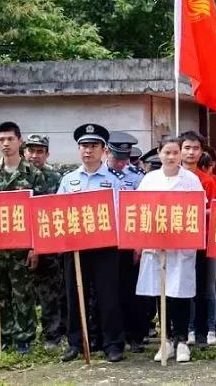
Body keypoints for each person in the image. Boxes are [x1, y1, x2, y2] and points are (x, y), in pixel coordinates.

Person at [58, 123, 125, 363]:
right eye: (84, 146)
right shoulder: (68, 180)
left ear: (104, 150)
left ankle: (112, 344)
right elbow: (58, 211)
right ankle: (76, 342)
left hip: (105, 246)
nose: (88, 150)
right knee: (75, 295)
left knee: (108, 296)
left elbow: (119, 212)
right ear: (79, 149)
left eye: (94, 146)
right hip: (75, 246)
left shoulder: (113, 180)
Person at [135, 136, 203, 363]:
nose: (172, 157)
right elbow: (139, 209)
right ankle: (165, 341)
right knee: (160, 292)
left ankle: (182, 340)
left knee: (180, 294)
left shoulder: (190, 180)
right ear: (159, 153)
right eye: (167, 152)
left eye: (175, 153)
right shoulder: (149, 180)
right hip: (156, 246)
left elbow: (198, 211)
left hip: (181, 247)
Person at [0, 121, 40, 354]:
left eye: (10, 139)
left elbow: (39, 213)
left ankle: (24, 337)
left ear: (19, 141)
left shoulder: (34, 174)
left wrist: (36, 247)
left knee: (22, 293)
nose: (6, 144)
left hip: (22, 247)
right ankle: (3, 336)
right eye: (2, 140)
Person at [107, 131, 150, 353]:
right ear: (107, 152)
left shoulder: (137, 177)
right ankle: (111, 336)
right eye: (117, 157)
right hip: (105, 243)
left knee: (132, 291)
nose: (122, 162)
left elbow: (143, 211)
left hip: (129, 244)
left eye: (125, 158)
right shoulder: (99, 174)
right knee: (108, 292)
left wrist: (139, 244)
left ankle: (136, 336)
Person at [22, 134, 66, 350]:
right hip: (18, 245)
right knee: (23, 293)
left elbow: (54, 213)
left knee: (50, 294)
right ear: (24, 152)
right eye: (31, 151)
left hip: (47, 245)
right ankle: (24, 335)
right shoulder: (15, 175)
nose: (34, 155)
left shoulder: (55, 178)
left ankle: (52, 335)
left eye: (40, 151)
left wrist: (38, 246)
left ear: (47, 154)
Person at [176, 131, 216, 348]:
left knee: (207, 287)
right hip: (180, 241)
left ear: (201, 152)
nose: (191, 152)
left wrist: (194, 211)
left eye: (195, 148)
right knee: (186, 286)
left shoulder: (208, 181)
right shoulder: (172, 178)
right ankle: (190, 329)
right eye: (187, 148)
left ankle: (209, 328)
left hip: (205, 239)